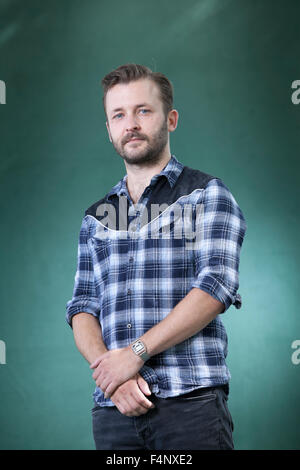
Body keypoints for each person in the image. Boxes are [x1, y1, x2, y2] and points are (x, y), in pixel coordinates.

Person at [65, 63, 247, 450]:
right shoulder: (96, 218)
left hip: (190, 406)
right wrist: (112, 376)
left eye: (143, 110)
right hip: (115, 411)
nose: (130, 123)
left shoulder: (207, 196)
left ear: (171, 118)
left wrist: (135, 353)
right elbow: (83, 307)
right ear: (110, 129)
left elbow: (215, 288)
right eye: (119, 115)